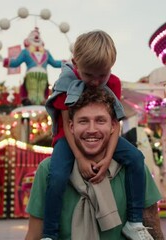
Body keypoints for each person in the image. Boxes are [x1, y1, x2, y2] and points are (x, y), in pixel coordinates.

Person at [43, 30, 149, 240]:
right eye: (88, 75)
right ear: (75, 63)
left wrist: (108, 157)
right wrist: (81, 159)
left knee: (137, 158)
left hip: (105, 137)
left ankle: (134, 221)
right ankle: (50, 234)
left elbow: (115, 122)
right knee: (56, 176)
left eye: (102, 75)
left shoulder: (114, 83)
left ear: (112, 66)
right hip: (69, 137)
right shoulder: (66, 83)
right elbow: (66, 122)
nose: (95, 81)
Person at [26, 87, 164, 240]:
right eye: (83, 121)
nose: (92, 130)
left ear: (112, 126)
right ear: (71, 127)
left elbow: (153, 229)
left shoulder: (134, 169)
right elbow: (33, 235)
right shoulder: (48, 170)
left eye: (100, 120)